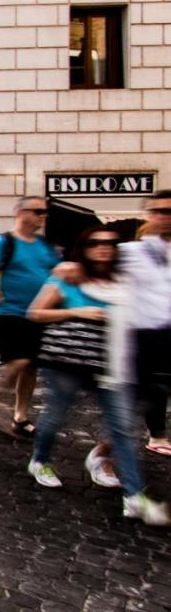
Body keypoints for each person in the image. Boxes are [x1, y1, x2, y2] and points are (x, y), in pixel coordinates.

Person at [26, 226, 167, 525]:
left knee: (123, 430)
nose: (103, 248)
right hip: (68, 361)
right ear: (84, 247)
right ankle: (40, 460)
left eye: (110, 243)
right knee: (55, 416)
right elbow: (36, 313)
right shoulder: (69, 275)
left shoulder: (126, 281)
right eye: (94, 243)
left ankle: (133, 494)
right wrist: (79, 312)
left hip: (112, 364)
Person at [0, 197, 60, 438]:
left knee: (31, 366)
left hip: (39, 313)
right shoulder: (3, 242)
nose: (43, 216)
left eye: (45, 212)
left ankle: (20, 416)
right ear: (20, 213)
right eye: (38, 211)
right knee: (20, 360)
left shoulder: (44, 244)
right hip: (7, 312)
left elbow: (57, 273)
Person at [116, 190, 171, 458]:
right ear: (148, 216)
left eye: (169, 212)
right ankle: (107, 453)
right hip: (139, 334)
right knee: (139, 396)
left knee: (156, 389)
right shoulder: (129, 252)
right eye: (158, 211)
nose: (164, 217)